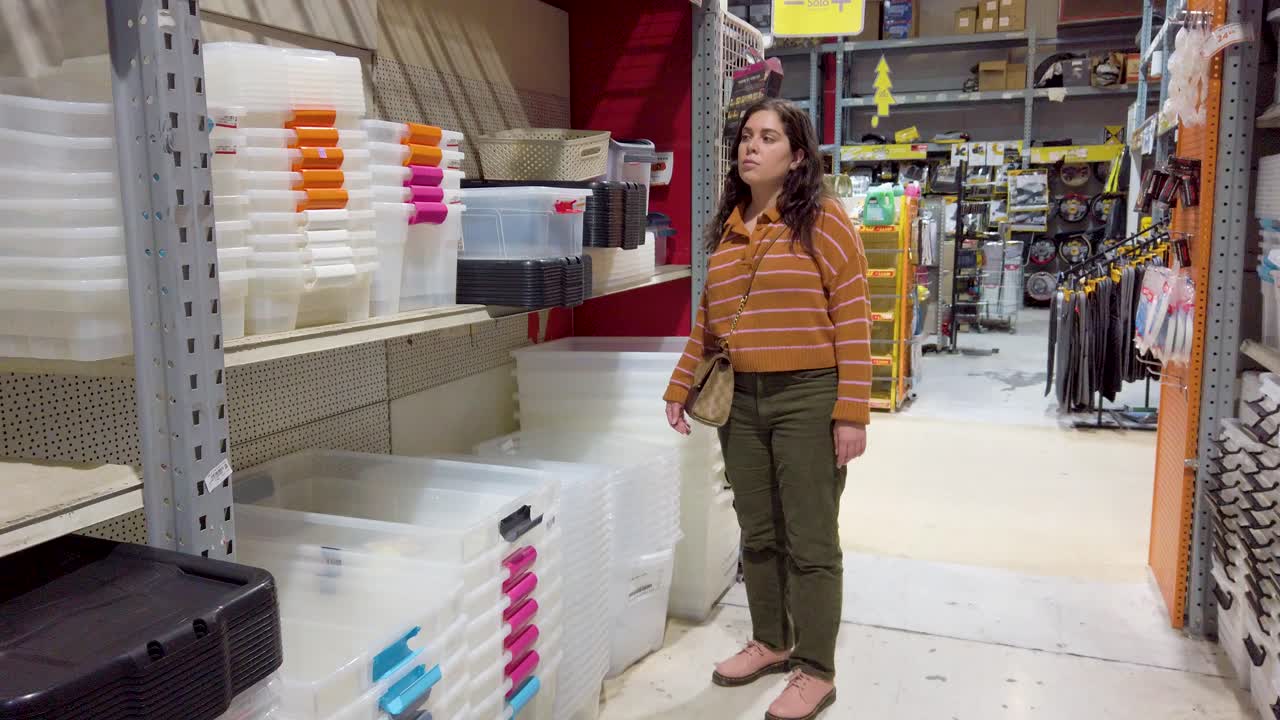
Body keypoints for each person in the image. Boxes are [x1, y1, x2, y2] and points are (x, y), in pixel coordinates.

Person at [663, 98, 871, 720]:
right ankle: (773, 641)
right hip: (742, 402)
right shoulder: (728, 226)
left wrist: (851, 411)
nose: (750, 146)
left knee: (810, 537)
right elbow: (709, 324)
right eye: (745, 136)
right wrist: (679, 387)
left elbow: (854, 316)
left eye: (769, 137)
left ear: (797, 155)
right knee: (757, 532)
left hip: (808, 394)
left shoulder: (825, 221)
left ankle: (817, 669)